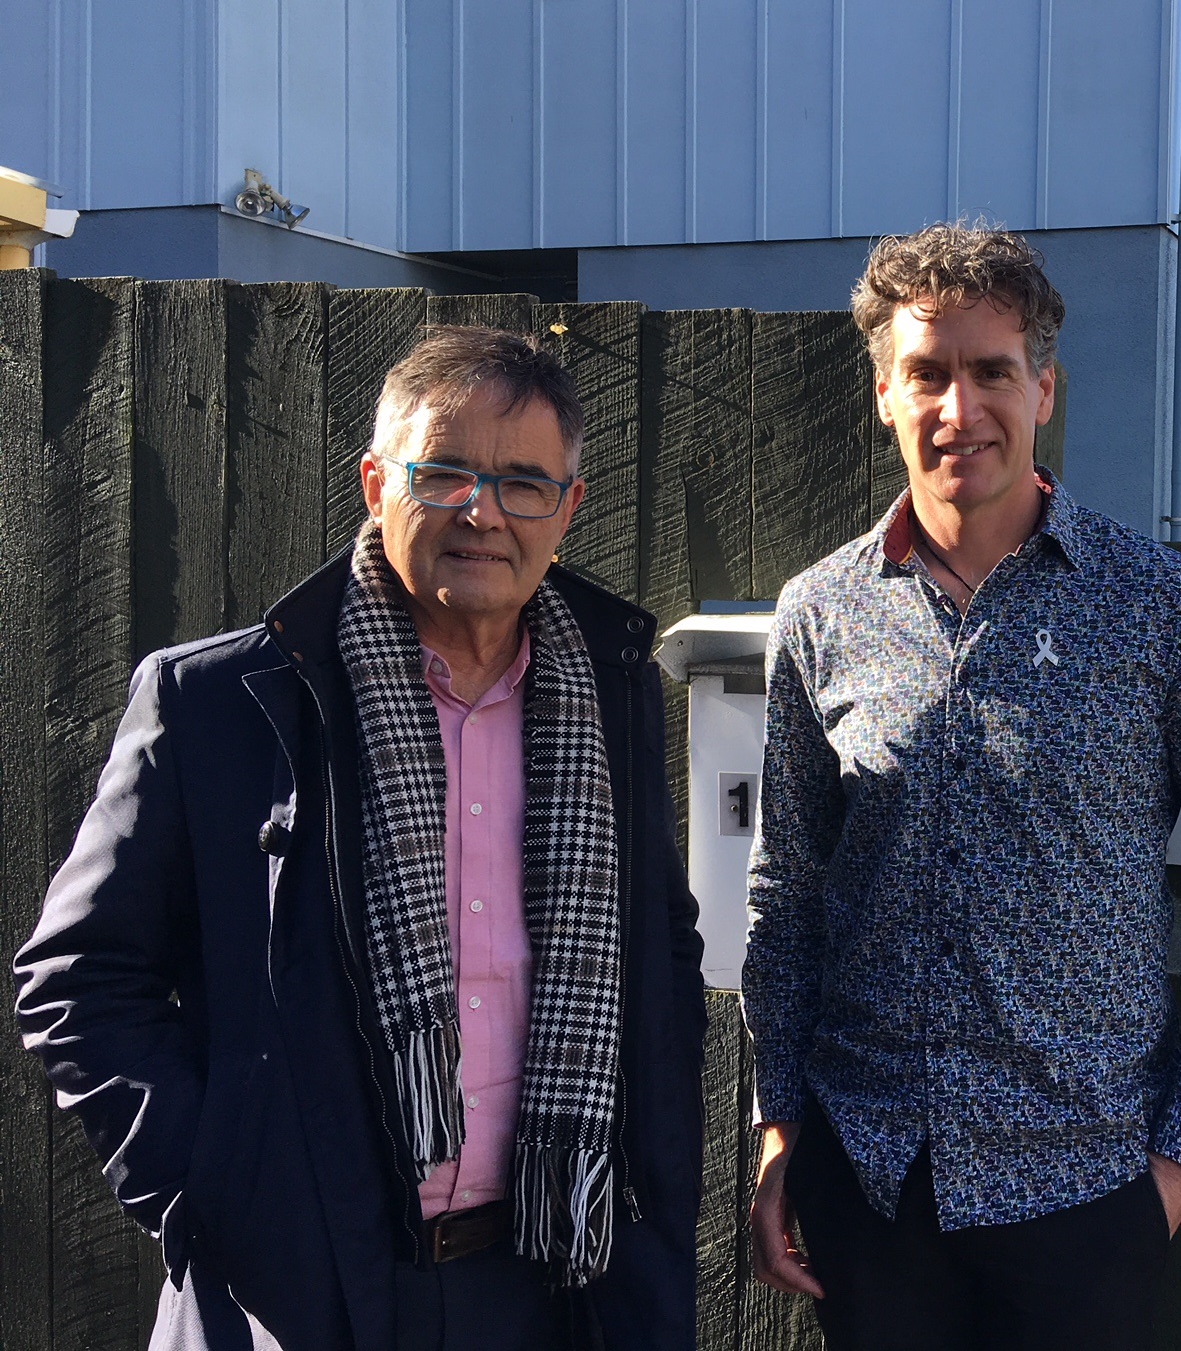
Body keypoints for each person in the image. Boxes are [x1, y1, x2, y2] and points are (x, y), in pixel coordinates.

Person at [15, 328, 706, 1351]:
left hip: (558, 1277)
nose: (481, 511)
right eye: (446, 473)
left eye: (522, 483)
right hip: (302, 1288)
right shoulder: (219, 701)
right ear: (378, 481)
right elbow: (79, 977)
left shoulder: (615, 696)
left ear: (570, 510)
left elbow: (662, 956)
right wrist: (216, 1184)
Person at [742, 223, 1181, 1351]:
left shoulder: (1161, 608)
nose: (960, 409)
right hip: (868, 1185)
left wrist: (1174, 1171)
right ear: (884, 397)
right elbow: (787, 896)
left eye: (991, 372)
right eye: (928, 375)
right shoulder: (820, 613)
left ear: (1042, 390)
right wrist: (777, 1134)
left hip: (1082, 1196)